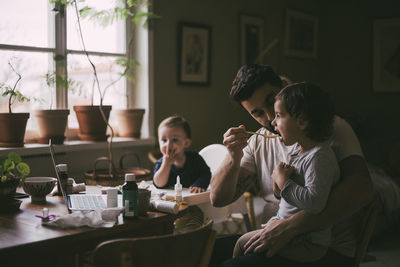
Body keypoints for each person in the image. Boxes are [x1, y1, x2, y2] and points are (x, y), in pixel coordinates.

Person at [210, 64, 374, 266]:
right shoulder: (259, 141)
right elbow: (218, 199)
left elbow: (363, 188)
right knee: (203, 252)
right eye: (257, 113)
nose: (270, 118)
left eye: (271, 102)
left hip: (324, 249)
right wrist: (233, 156)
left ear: (283, 87)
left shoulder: (329, 129)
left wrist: (289, 227)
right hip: (274, 238)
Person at [233, 82, 340, 263]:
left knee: (242, 245)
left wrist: (284, 182)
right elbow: (288, 196)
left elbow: (314, 203)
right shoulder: (298, 151)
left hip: (308, 242)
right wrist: (278, 185)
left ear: (302, 121)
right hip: (289, 232)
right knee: (242, 244)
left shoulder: (319, 157)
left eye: (279, 115)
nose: (272, 122)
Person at [153, 115, 211, 193]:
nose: (168, 145)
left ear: (186, 143)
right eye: (164, 140)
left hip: (192, 198)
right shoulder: (161, 163)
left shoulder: (194, 158)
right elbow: (159, 184)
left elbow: (206, 173)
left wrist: (199, 184)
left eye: (175, 140)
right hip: (170, 200)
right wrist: (166, 164)